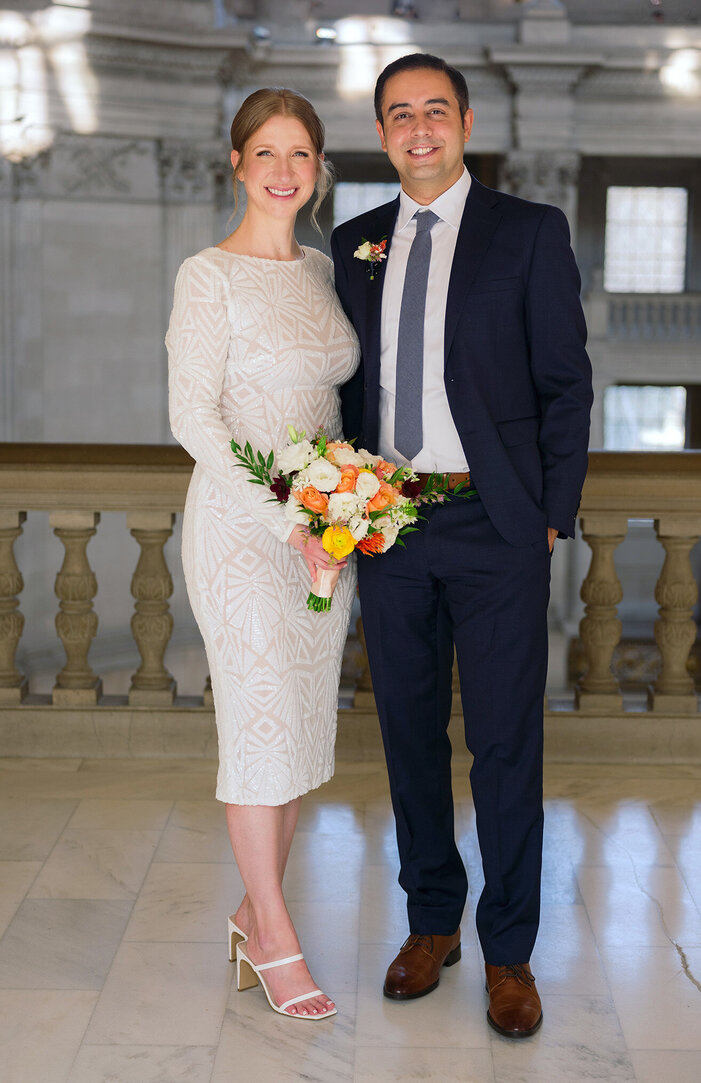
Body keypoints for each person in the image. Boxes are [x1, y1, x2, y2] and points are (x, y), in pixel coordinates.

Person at [331, 53, 592, 1039]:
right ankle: (430, 922)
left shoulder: (527, 233)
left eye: (434, 110)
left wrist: (548, 512)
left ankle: (509, 952)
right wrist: (338, 506)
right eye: (399, 114)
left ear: (465, 122)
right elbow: (346, 391)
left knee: (501, 746)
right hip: (387, 525)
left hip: (495, 527)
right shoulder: (353, 241)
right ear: (383, 132)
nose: (419, 129)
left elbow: (564, 384)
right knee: (404, 735)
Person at [166, 88, 359, 1020]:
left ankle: (253, 910)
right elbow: (191, 417)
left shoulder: (324, 269)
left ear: (318, 170)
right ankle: (278, 934)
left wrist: (343, 512)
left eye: (301, 154)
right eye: (266, 153)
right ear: (237, 164)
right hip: (247, 530)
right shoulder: (208, 275)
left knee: (296, 729)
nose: (285, 171)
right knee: (257, 723)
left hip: (327, 532)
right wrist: (284, 520)